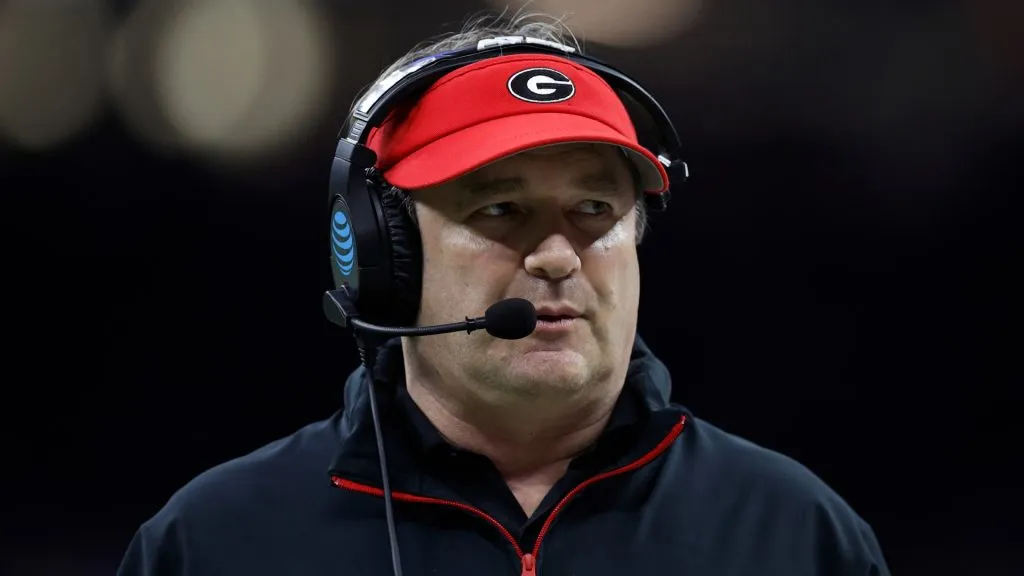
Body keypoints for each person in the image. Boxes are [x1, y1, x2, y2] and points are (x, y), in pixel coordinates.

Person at [117, 11, 890, 576]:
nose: (557, 256)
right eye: (500, 211)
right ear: (383, 251)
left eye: (595, 212)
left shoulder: (796, 534)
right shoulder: (216, 543)